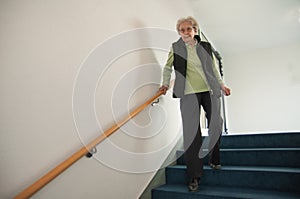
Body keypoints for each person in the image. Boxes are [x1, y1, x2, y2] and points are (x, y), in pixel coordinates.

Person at [159, 16, 231, 192]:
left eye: (188, 29)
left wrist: (222, 85)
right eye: (182, 30)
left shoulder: (205, 47)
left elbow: (213, 69)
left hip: (209, 89)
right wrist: (165, 83)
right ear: (179, 32)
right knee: (192, 134)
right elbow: (168, 67)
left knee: (216, 123)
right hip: (188, 93)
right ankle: (194, 176)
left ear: (195, 30)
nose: (185, 33)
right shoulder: (176, 48)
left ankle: (214, 157)